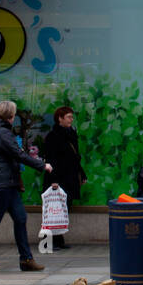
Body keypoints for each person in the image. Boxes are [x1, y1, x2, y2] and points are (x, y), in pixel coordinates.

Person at [0, 100, 53, 274]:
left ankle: (26, 259)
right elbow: (19, 154)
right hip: (2, 183)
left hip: (8, 182)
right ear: (11, 116)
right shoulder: (2, 133)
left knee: (20, 218)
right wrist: (42, 165)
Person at [41, 106, 85, 250]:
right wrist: (53, 179)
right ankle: (49, 241)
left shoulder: (71, 133)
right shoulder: (53, 136)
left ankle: (59, 240)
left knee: (63, 208)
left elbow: (75, 157)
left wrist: (82, 174)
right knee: (54, 209)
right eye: (68, 117)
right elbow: (51, 158)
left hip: (69, 175)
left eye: (72, 117)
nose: (71, 120)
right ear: (60, 118)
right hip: (57, 176)